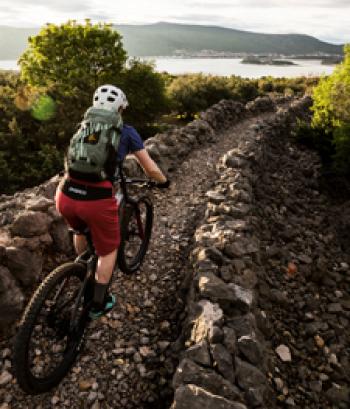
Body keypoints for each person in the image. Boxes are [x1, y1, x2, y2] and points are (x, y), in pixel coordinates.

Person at [55, 84, 169, 319]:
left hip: (65, 193)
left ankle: (82, 265)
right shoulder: (126, 132)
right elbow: (149, 168)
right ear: (120, 109)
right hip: (96, 199)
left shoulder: (84, 127)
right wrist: (163, 181)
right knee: (109, 250)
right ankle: (99, 302)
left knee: (79, 229)